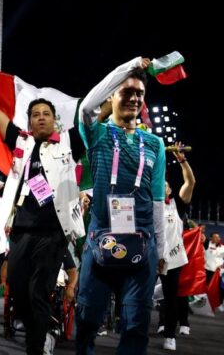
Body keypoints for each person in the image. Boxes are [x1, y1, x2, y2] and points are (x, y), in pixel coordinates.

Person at [0, 55, 85, 355]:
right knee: (17, 293)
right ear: (29, 121)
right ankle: (40, 334)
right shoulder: (21, 142)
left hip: (52, 233)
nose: (41, 117)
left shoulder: (69, 143)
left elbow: (97, 111)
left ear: (55, 120)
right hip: (19, 231)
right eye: (35, 114)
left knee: (38, 293)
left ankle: (36, 347)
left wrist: (123, 83)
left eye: (46, 114)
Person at [76, 57, 166, 355]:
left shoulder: (154, 144)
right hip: (100, 236)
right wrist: (126, 68)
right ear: (112, 95)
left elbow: (156, 200)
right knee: (87, 319)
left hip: (142, 241)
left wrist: (162, 250)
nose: (134, 98)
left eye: (139, 93)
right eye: (126, 91)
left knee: (136, 326)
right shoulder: (97, 133)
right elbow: (87, 107)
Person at [157, 143, 195, 350]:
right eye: (157, 184)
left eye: (165, 185)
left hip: (172, 260)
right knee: (137, 296)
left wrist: (182, 160)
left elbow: (190, 181)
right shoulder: (147, 203)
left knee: (171, 298)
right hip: (149, 258)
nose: (162, 186)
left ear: (170, 189)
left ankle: (170, 335)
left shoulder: (177, 204)